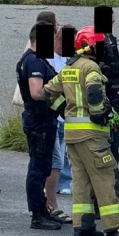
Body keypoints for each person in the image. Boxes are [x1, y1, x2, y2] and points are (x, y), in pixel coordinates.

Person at [44, 26, 119, 236]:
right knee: (105, 177)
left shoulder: (69, 68)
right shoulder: (92, 67)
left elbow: (48, 91)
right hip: (92, 135)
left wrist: (64, 110)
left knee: (81, 180)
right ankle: (114, 227)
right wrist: (101, 114)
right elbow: (94, 94)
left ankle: (83, 226)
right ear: (91, 47)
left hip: (72, 136)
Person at [17, 21, 61, 230]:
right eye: (53, 38)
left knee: (42, 166)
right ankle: (38, 214)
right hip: (39, 121)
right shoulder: (34, 62)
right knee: (38, 168)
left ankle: (42, 210)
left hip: (43, 120)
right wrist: (58, 90)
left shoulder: (35, 60)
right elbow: (36, 93)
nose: (55, 43)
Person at [93, 6, 119, 218]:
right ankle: (102, 202)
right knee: (106, 153)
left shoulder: (110, 38)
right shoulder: (98, 40)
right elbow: (98, 72)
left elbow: (117, 69)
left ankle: (112, 200)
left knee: (114, 152)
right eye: (112, 16)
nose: (115, 19)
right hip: (106, 103)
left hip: (115, 98)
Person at [44, 24, 74, 224]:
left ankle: (58, 189)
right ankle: (50, 202)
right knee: (54, 161)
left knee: (61, 158)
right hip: (55, 116)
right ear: (58, 39)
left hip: (66, 117)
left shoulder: (69, 58)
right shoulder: (47, 58)